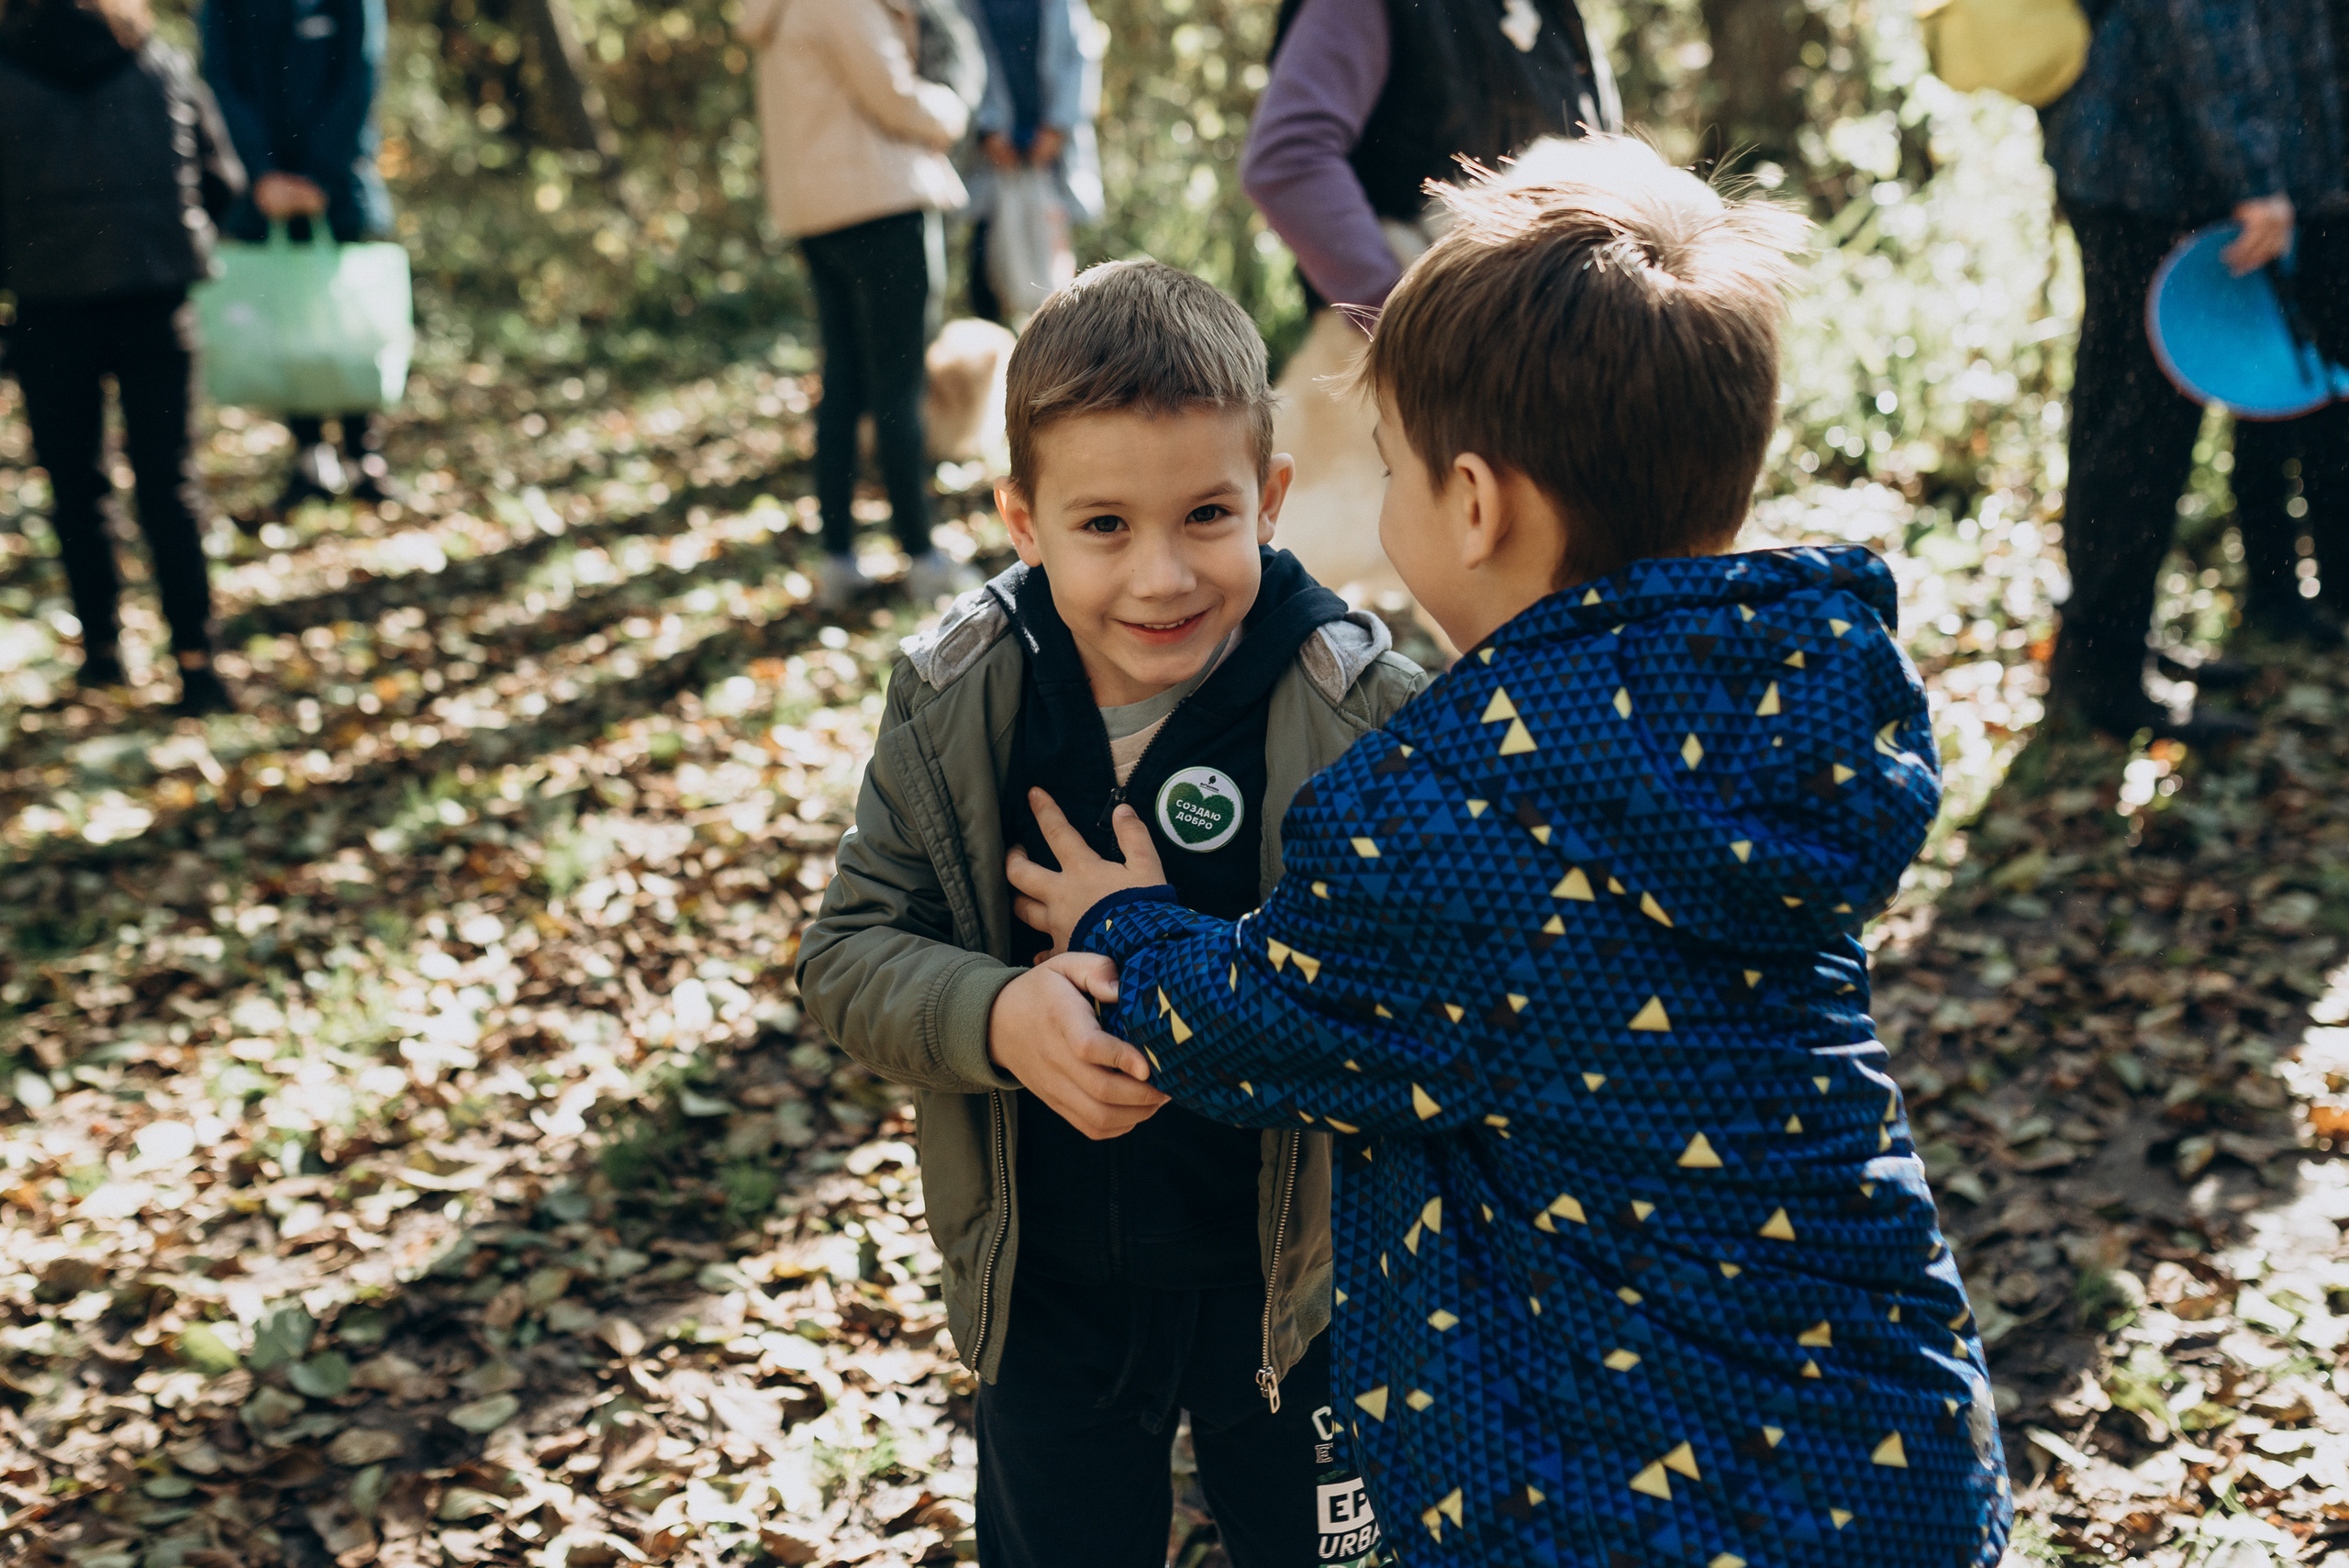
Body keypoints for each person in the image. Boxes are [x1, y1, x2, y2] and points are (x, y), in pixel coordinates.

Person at [1007, 141, 2015, 1566]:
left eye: (1400, 469)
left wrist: (1129, 924)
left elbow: (1255, 1026)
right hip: (1897, 1461)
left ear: (1473, 506)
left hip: (1610, 1504)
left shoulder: (1442, 807)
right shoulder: (1791, 714)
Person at [796, 261, 1428, 1565]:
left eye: (1206, 515)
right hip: (1054, 1277)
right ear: (1022, 519)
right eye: (1103, 528)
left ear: (1272, 498)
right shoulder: (965, 697)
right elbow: (850, 954)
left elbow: (1411, 1001)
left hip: (1300, 1286)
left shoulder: (1356, 709)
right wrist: (998, 1014)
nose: (1160, 577)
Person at [1239, 0, 1619, 623]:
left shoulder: (1559, 13)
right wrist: (1416, 324)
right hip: (1405, 379)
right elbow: (1288, 158)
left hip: (1550, 379)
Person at [2037, 0, 2343, 737]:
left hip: (2158, 165)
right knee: (2138, 426)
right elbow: (2205, 20)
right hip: (2158, 174)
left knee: (2127, 412)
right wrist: (2255, 174)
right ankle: (2104, 672)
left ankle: (2110, 640)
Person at [0, 0, 243, 714]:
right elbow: (220, 181)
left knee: (77, 487)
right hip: (156, 304)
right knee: (169, 483)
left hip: (49, 310)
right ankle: (199, 662)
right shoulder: (159, 65)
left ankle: (104, 653)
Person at [740, 0, 982, 612]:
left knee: (845, 384)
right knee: (899, 382)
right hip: (882, 205)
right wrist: (952, 107)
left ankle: (839, 560)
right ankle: (923, 556)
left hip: (816, 214)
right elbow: (895, 97)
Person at [200, 0, 398, 518]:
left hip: (340, 187)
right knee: (285, 318)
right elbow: (220, 79)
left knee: (349, 314)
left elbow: (361, 71)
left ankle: (363, 452)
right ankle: (310, 454)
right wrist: (261, 174)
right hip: (260, 190)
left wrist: (321, 175)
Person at [960, 0, 1103, 323]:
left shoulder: (1062, 6)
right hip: (991, 163)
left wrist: (1057, 127)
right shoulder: (968, 6)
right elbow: (960, 58)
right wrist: (987, 130)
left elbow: (1081, 60)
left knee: (1062, 282)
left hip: (1052, 162)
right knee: (987, 278)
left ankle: (1061, 356)